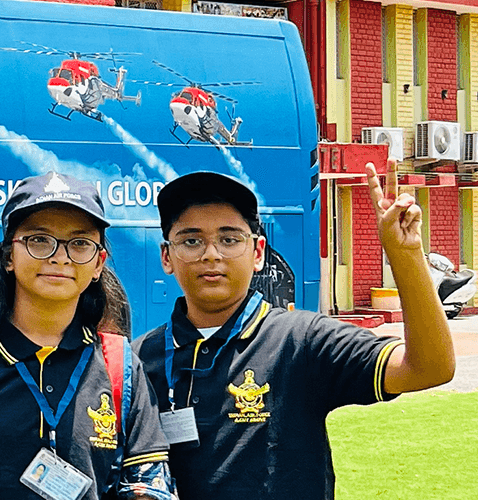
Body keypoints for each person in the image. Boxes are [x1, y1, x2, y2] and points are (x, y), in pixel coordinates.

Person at [136, 169, 455, 498]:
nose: (211, 254)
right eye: (191, 241)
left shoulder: (302, 340)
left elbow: (428, 368)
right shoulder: (138, 360)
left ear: (258, 252)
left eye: (229, 239)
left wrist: (405, 255)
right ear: (166, 256)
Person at [0, 172, 177, 500]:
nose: (59, 256)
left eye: (80, 243)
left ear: (98, 263)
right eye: (39, 239)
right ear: (9, 256)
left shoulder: (121, 365)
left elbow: (149, 488)